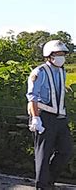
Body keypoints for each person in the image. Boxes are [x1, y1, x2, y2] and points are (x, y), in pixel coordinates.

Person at [26, 40, 73, 189]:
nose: (61, 57)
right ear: (49, 55)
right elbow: (32, 96)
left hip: (60, 117)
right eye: (57, 54)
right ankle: (42, 185)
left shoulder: (62, 71)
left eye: (62, 54)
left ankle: (49, 180)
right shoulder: (39, 72)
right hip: (44, 117)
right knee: (43, 154)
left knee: (66, 150)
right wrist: (35, 118)